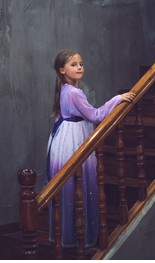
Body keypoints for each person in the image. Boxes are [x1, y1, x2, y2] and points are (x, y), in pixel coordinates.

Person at [46, 50, 135, 248]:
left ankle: (72, 232)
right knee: (79, 181)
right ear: (62, 70)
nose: (79, 67)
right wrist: (117, 98)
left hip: (64, 138)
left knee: (71, 185)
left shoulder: (65, 89)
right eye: (73, 64)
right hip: (73, 140)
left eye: (81, 64)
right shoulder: (74, 93)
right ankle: (80, 234)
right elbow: (95, 116)